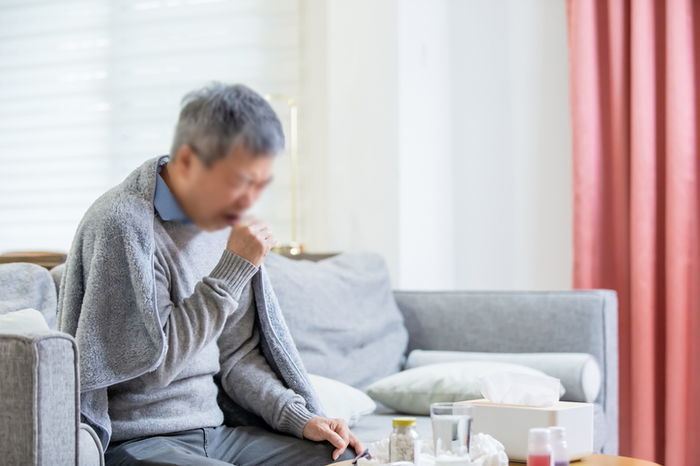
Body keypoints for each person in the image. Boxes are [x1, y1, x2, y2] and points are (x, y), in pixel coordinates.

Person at [57, 83, 363, 465]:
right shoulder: (121, 224)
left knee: (342, 458)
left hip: (215, 435)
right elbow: (151, 366)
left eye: (259, 183)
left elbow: (237, 357)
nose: (248, 202)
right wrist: (233, 269)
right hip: (139, 442)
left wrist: (300, 418)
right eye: (238, 182)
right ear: (187, 162)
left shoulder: (222, 224)